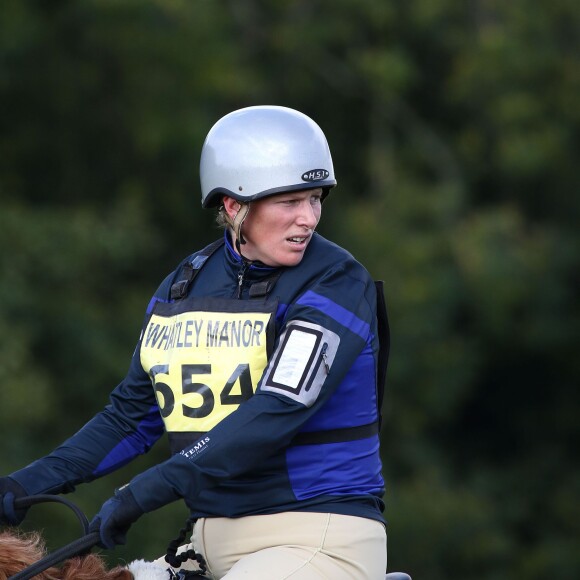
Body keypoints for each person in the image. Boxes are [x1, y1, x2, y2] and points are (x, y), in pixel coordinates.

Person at [0, 106, 389, 579]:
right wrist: (24, 485)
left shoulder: (337, 280)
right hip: (203, 542)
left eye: (315, 199)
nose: (308, 218)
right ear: (232, 206)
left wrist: (149, 487)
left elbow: (279, 407)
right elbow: (130, 418)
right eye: (290, 202)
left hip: (317, 537)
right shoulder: (182, 286)